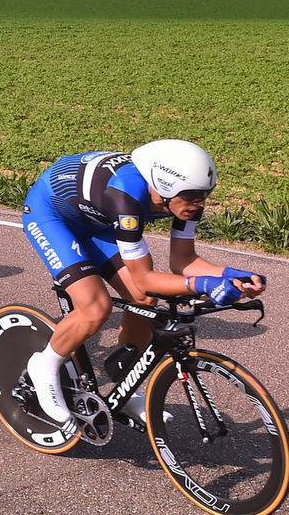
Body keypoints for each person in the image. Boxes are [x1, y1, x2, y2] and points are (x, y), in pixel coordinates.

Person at [22, 140, 266, 426]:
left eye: (205, 195)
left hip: (96, 220)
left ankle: (125, 389)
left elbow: (183, 260)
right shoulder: (125, 197)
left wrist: (228, 276)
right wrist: (204, 285)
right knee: (95, 307)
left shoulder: (184, 200)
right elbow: (144, 278)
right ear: (162, 187)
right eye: (192, 196)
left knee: (144, 300)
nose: (199, 203)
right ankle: (44, 365)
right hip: (51, 214)